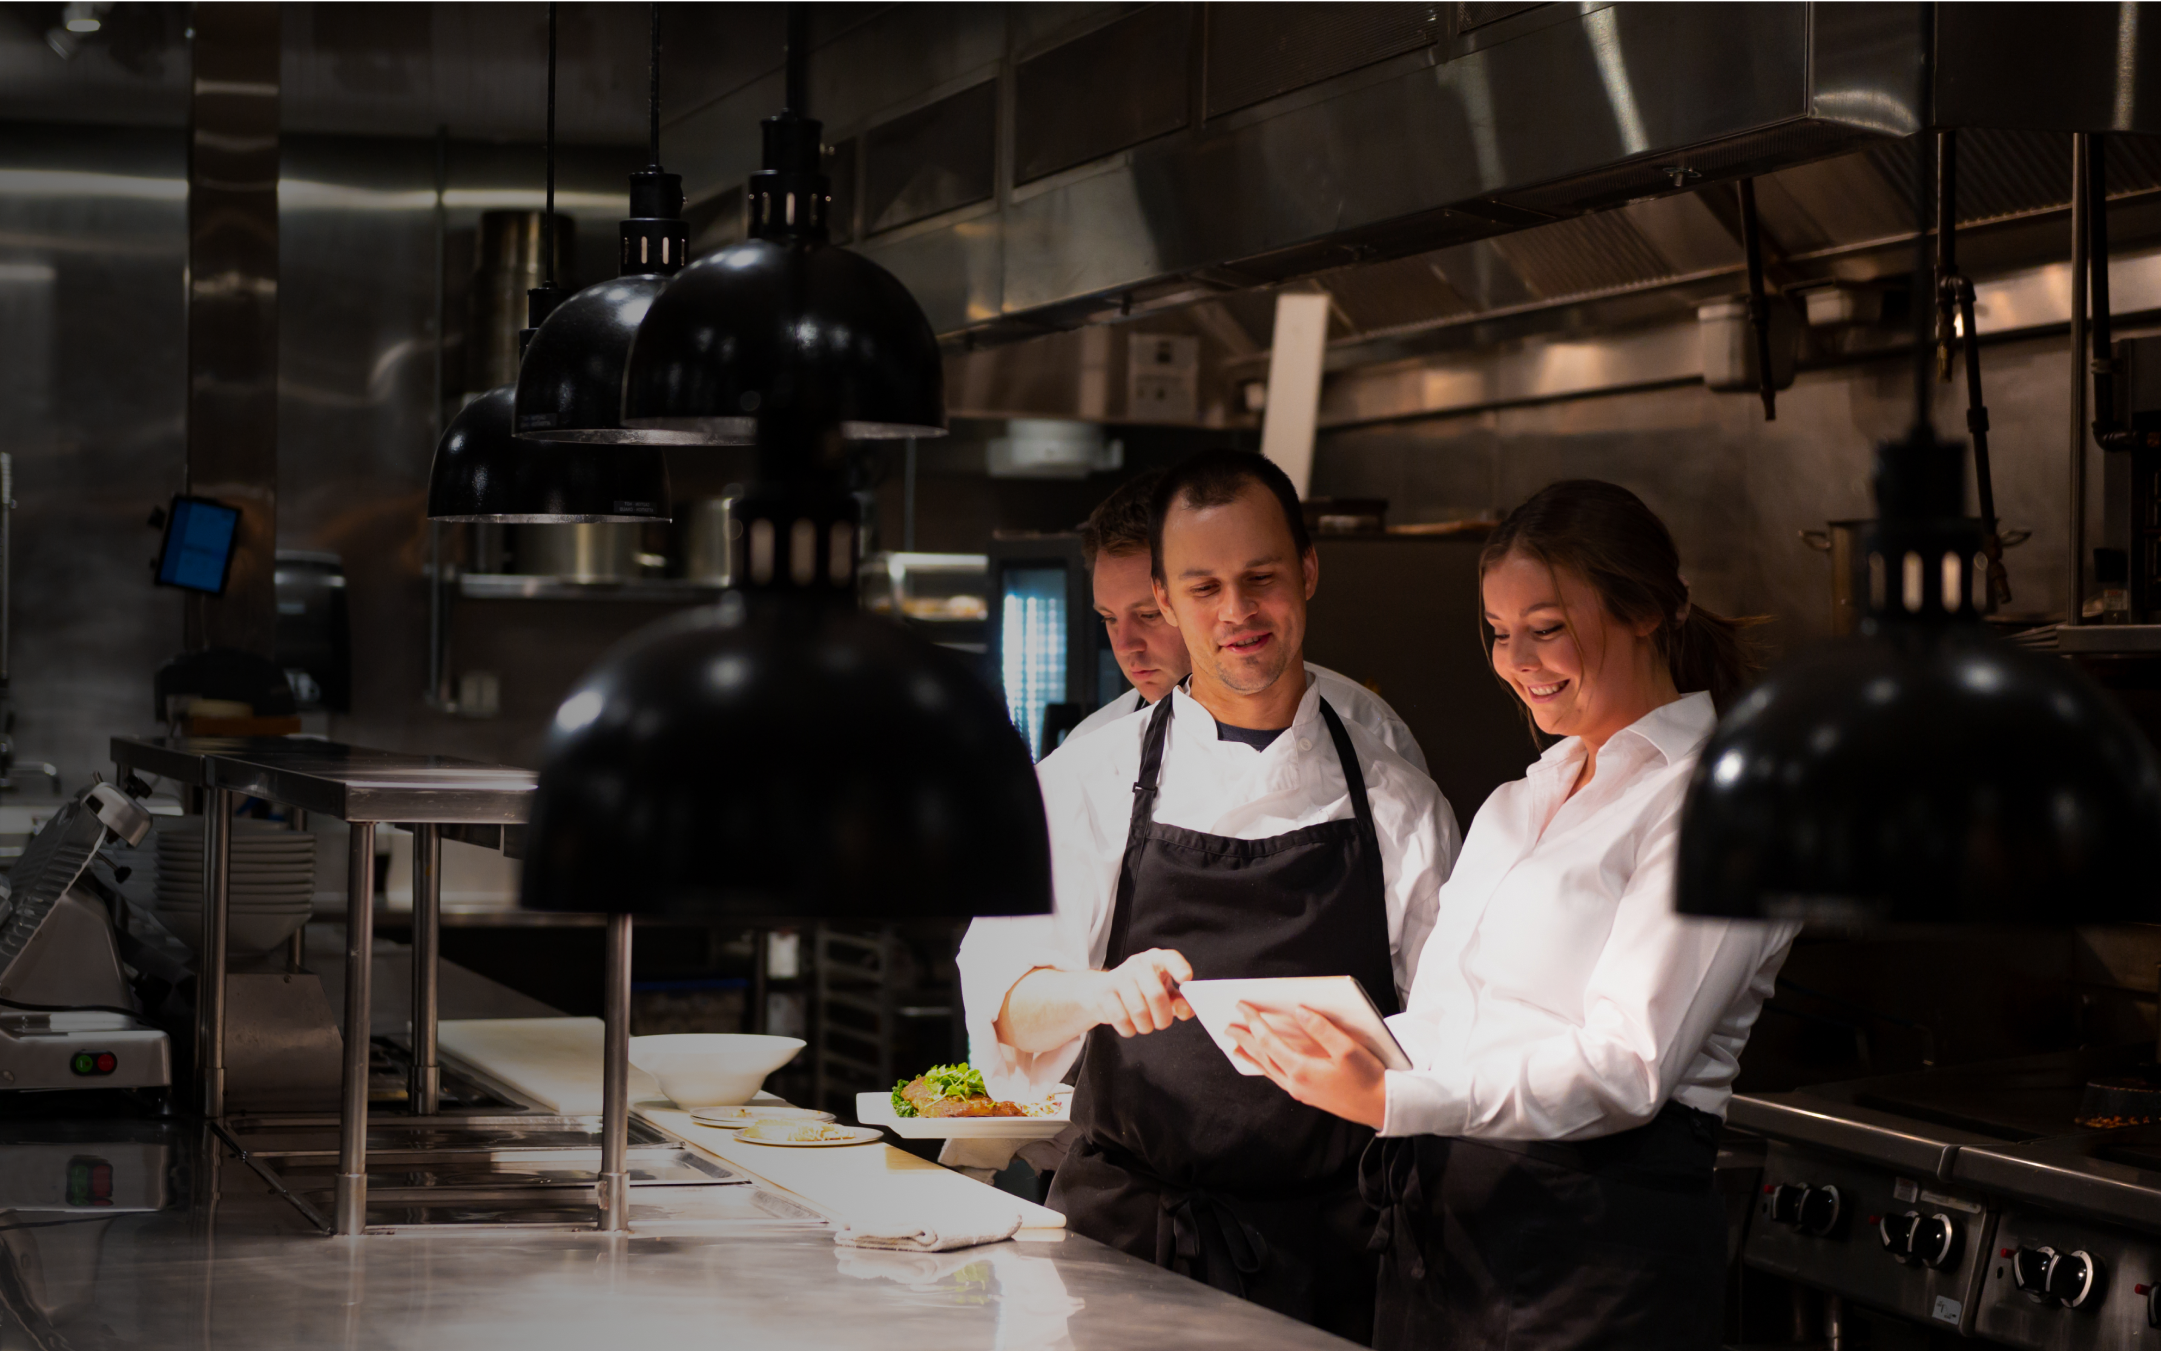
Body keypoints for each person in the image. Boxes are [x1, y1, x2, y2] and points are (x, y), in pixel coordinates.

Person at [1226, 479, 1801, 1351]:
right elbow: (1461, 1021)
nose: (1516, 660)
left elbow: (1627, 1068)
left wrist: (1395, 1092)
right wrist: (1330, 1041)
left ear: (1644, 609)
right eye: (1498, 633)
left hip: (1593, 1255)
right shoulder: (1515, 803)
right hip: (1445, 1242)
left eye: (1547, 627)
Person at [957, 450, 1460, 1342]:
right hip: (1124, 1251)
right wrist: (1098, 992)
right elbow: (1005, 1010)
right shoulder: (1089, 778)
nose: (1235, 614)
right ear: (1169, 595)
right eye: (1202, 588)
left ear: (1306, 571)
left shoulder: (1398, 802)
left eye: (1259, 579)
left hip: (1333, 1255)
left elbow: (1453, 1043)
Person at [1064, 469, 1428, 772]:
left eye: (1148, 615)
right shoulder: (1086, 755)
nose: (1125, 645)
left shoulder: (1368, 729)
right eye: (1109, 619)